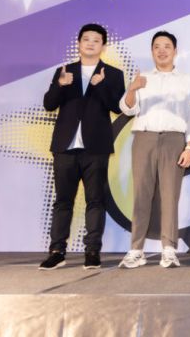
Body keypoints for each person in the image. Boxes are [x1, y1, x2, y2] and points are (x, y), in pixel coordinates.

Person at [39, 24, 125, 270]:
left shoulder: (113, 74)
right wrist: (60, 85)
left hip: (95, 147)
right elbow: (49, 104)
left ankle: (92, 251)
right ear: (78, 43)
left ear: (103, 46)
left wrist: (100, 85)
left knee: (95, 200)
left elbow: (118, 107)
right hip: (65, 147)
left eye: (96, 40)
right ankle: (57, 251)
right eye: (86, 39)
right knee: (62, 201)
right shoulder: (64, 71)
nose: (90, 43)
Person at [118, 31, 190, 269]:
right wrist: (132, 89)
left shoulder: (187, 81)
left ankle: (169, 249)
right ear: (152, 51)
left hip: (174, 139)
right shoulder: (142, 78)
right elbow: (128, 109)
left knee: (170, 195)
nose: (162, 51)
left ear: (175, 51)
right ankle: (136, 249)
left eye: (166, 46)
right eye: (157, 47)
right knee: (141, 195)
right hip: (144, 138)